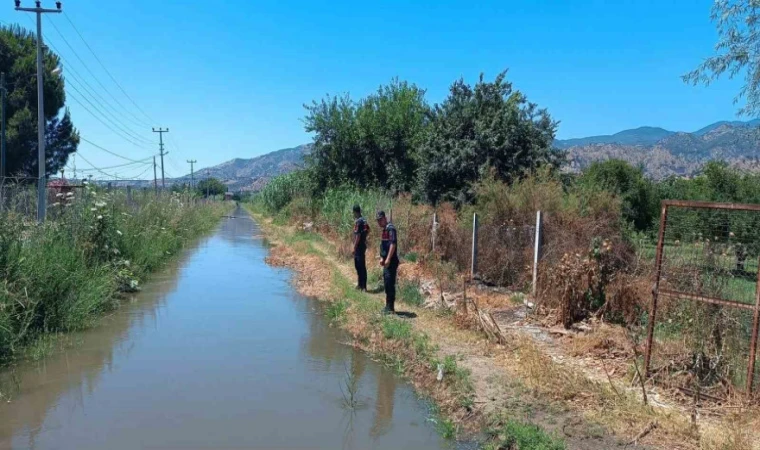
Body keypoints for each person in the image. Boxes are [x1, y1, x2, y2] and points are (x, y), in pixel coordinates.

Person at [376, 211, 399, 313]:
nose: (379, 222)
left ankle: (391, 308)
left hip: (391, 261)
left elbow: (392, 244)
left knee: (390, 283)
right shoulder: (384, 230)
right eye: (378, 220)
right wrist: (382, 257)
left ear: (385, 218)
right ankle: (388, 306)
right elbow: (383, 246)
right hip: (386, 261)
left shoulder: (391, 229)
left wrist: (388, 259)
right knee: (386, 283)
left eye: (380, 220)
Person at [352, 205, 369, 291]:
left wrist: (354, 247)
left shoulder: (358, 222)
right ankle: (360, 285)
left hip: (358, 246)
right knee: (359, 265)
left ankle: (363, 286)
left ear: (355, 212)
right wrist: (364, 238)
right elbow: (368, 230)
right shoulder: (364, 220)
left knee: (360, 266)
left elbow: (358, 236)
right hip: (362, 245)